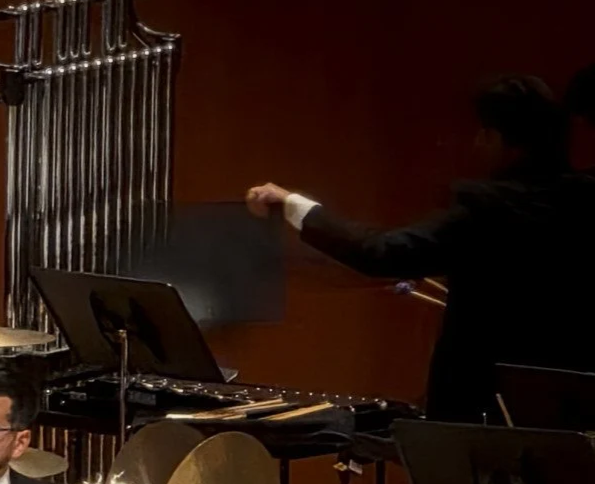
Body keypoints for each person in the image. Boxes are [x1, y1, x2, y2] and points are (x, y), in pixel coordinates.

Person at [246, 74, 595, 426]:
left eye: (484, 133)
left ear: (506, 142)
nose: (477, 143)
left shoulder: (488, 211)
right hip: (575, 417)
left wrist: (292, 204)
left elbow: (383, 252)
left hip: (483, 416)